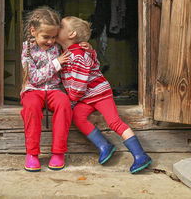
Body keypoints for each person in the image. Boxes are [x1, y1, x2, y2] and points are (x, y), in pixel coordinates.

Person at [56, 16, 152, 174]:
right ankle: (104, 145)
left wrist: (71, 100)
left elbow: (79, 85)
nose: (56, 28)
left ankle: (140, 155)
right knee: (77, 117)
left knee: (115, 122)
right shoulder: (67, 52)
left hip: (100, 94)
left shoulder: (78, 55)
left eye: (60, 26)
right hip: (86, 97)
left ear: (71, 34)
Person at [20, 6, 72, 172]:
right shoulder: (27, 49)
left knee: (64, 104)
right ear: (33, 31)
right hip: (32, 90)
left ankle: (58, 152)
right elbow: (34, 78)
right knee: (31, 107)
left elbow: (74, 48)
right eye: (46, 37)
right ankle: (32, 153)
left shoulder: (57, 46)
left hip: (54, 90)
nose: (50, 41)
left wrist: (85, 45)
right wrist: (56, 63)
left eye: (54, 37)